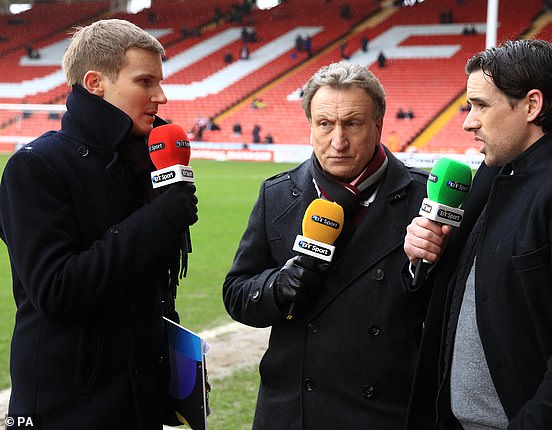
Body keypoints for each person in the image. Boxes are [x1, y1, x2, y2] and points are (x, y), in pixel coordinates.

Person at [404, 39, 552, 429]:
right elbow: (448, 303)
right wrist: (422, 258)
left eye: (481, 105)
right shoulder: (492, 174)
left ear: (531, 105)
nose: (468, 121)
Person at [0, 19, 199, 429]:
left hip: (140, 400)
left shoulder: (146, 162)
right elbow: (57, 290)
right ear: (95, 83)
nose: (160, 96)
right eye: (145, 81)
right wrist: (160, 219)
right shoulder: (35, 166)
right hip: (67, 409)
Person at [223, 61, 430, 429]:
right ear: (310, 126)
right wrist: (277, 286)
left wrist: (424, 266)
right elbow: (237, 293)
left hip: (386, 412)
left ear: (378, 125)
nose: (338, 141)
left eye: (352, 123)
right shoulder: (277, 193)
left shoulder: (424, 198)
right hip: (293, 412)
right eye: (325, 124)